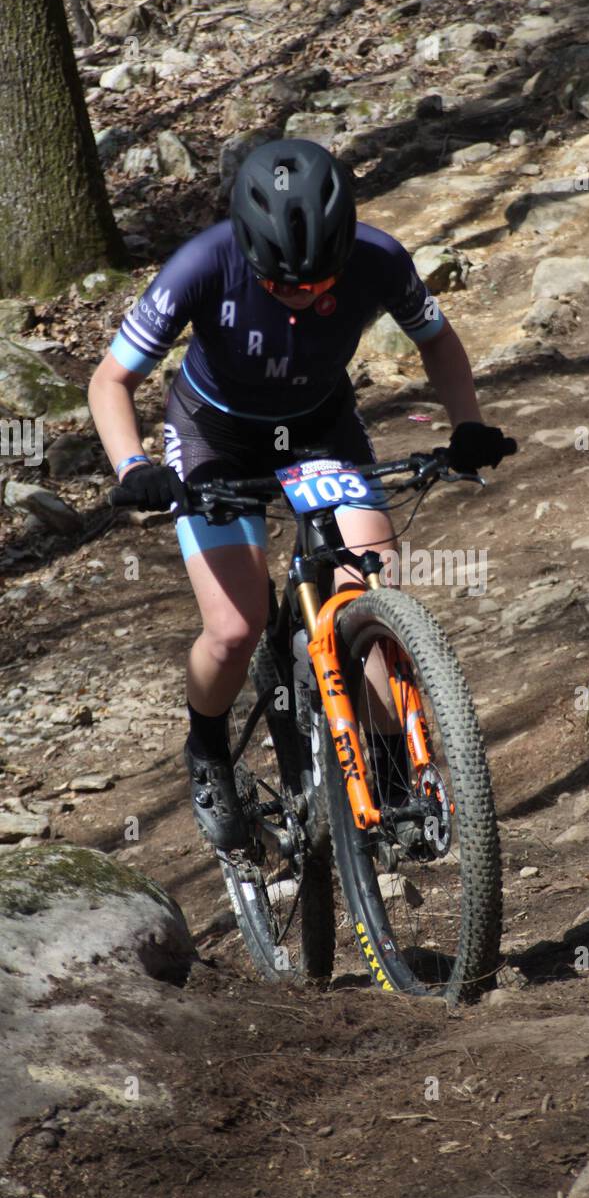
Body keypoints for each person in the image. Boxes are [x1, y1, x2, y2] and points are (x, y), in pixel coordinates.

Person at [88, 138, 516, 849]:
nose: (307, 296)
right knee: (234, 628)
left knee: (370, 576)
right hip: (213, 439)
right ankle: (207, 748)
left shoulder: (379, 258)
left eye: (321, 282)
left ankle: (388, 768)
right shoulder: (203, 264)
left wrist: (467, 426)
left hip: (320, 430)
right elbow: (110, 381)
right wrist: (134, 468)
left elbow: (438, 341)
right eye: (285, 285)